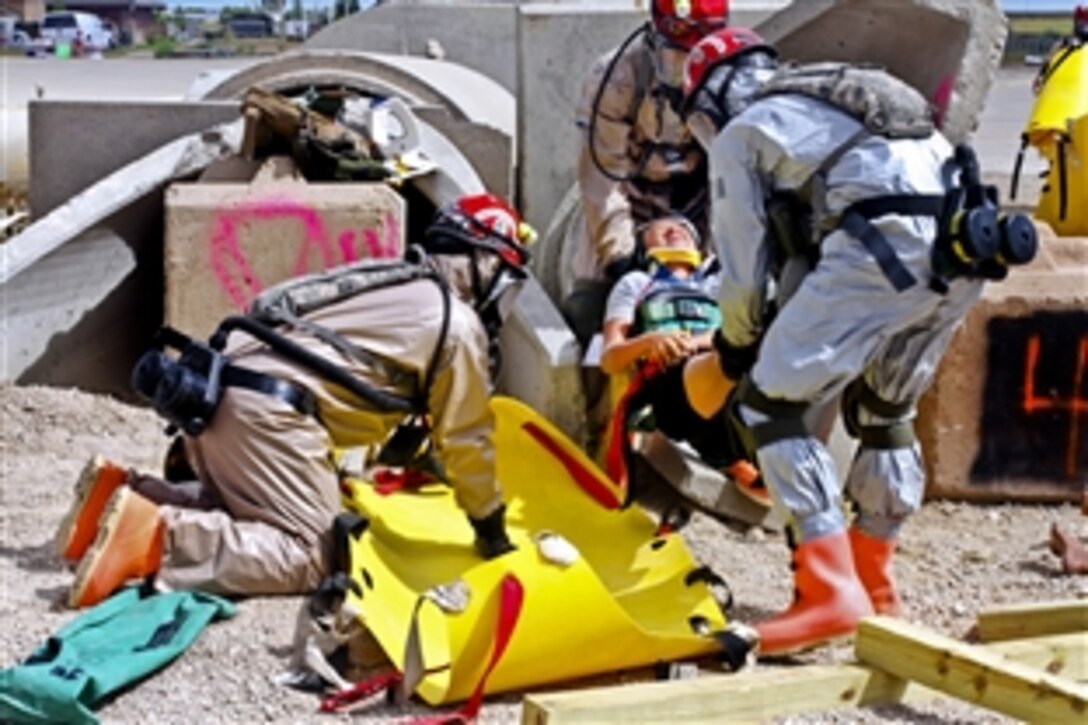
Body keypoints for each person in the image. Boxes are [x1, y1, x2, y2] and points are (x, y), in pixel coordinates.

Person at [680, 27, 1037, 658]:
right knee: (883, 410)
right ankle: (874, 581)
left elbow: (740, 268)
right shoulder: (836, 100)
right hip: (965, 248)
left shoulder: (743, 132)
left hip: (884, 246)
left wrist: (736, 347)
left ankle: (826, 595)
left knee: (770, 404)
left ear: (711, 98)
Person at [56, 193, 535, 609]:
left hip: (211, 390)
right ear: (484, 261)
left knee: (251, 515)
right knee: (309, 552)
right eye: (506, 281)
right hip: (271, 415)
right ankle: (155, 536)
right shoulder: (457, 324)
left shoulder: (390, 281)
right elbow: (467, 440)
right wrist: (490, 527)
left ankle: (125, 495)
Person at [564, 0, 729, 345]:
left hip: (699, 198)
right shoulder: (616, 78)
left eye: (697, 57)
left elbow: (731, 170)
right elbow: (602, 176)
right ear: (655, 38)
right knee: (588, 304)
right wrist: (621, 255)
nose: (685, 71)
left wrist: (719, 251)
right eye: (676, 58)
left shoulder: (731, 78)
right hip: (628, 193)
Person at [598, 214, 766, 506]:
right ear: (643, 244)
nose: (675, 229)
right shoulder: (636, 283)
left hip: (722, 371)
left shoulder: (720, 285)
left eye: (685, 228)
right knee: (736, 354)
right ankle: (737, 452)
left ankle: (743, 448)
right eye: (661, 226)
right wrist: (651, 341)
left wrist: (700, 341)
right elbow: (610, 358)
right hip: (670, 389)